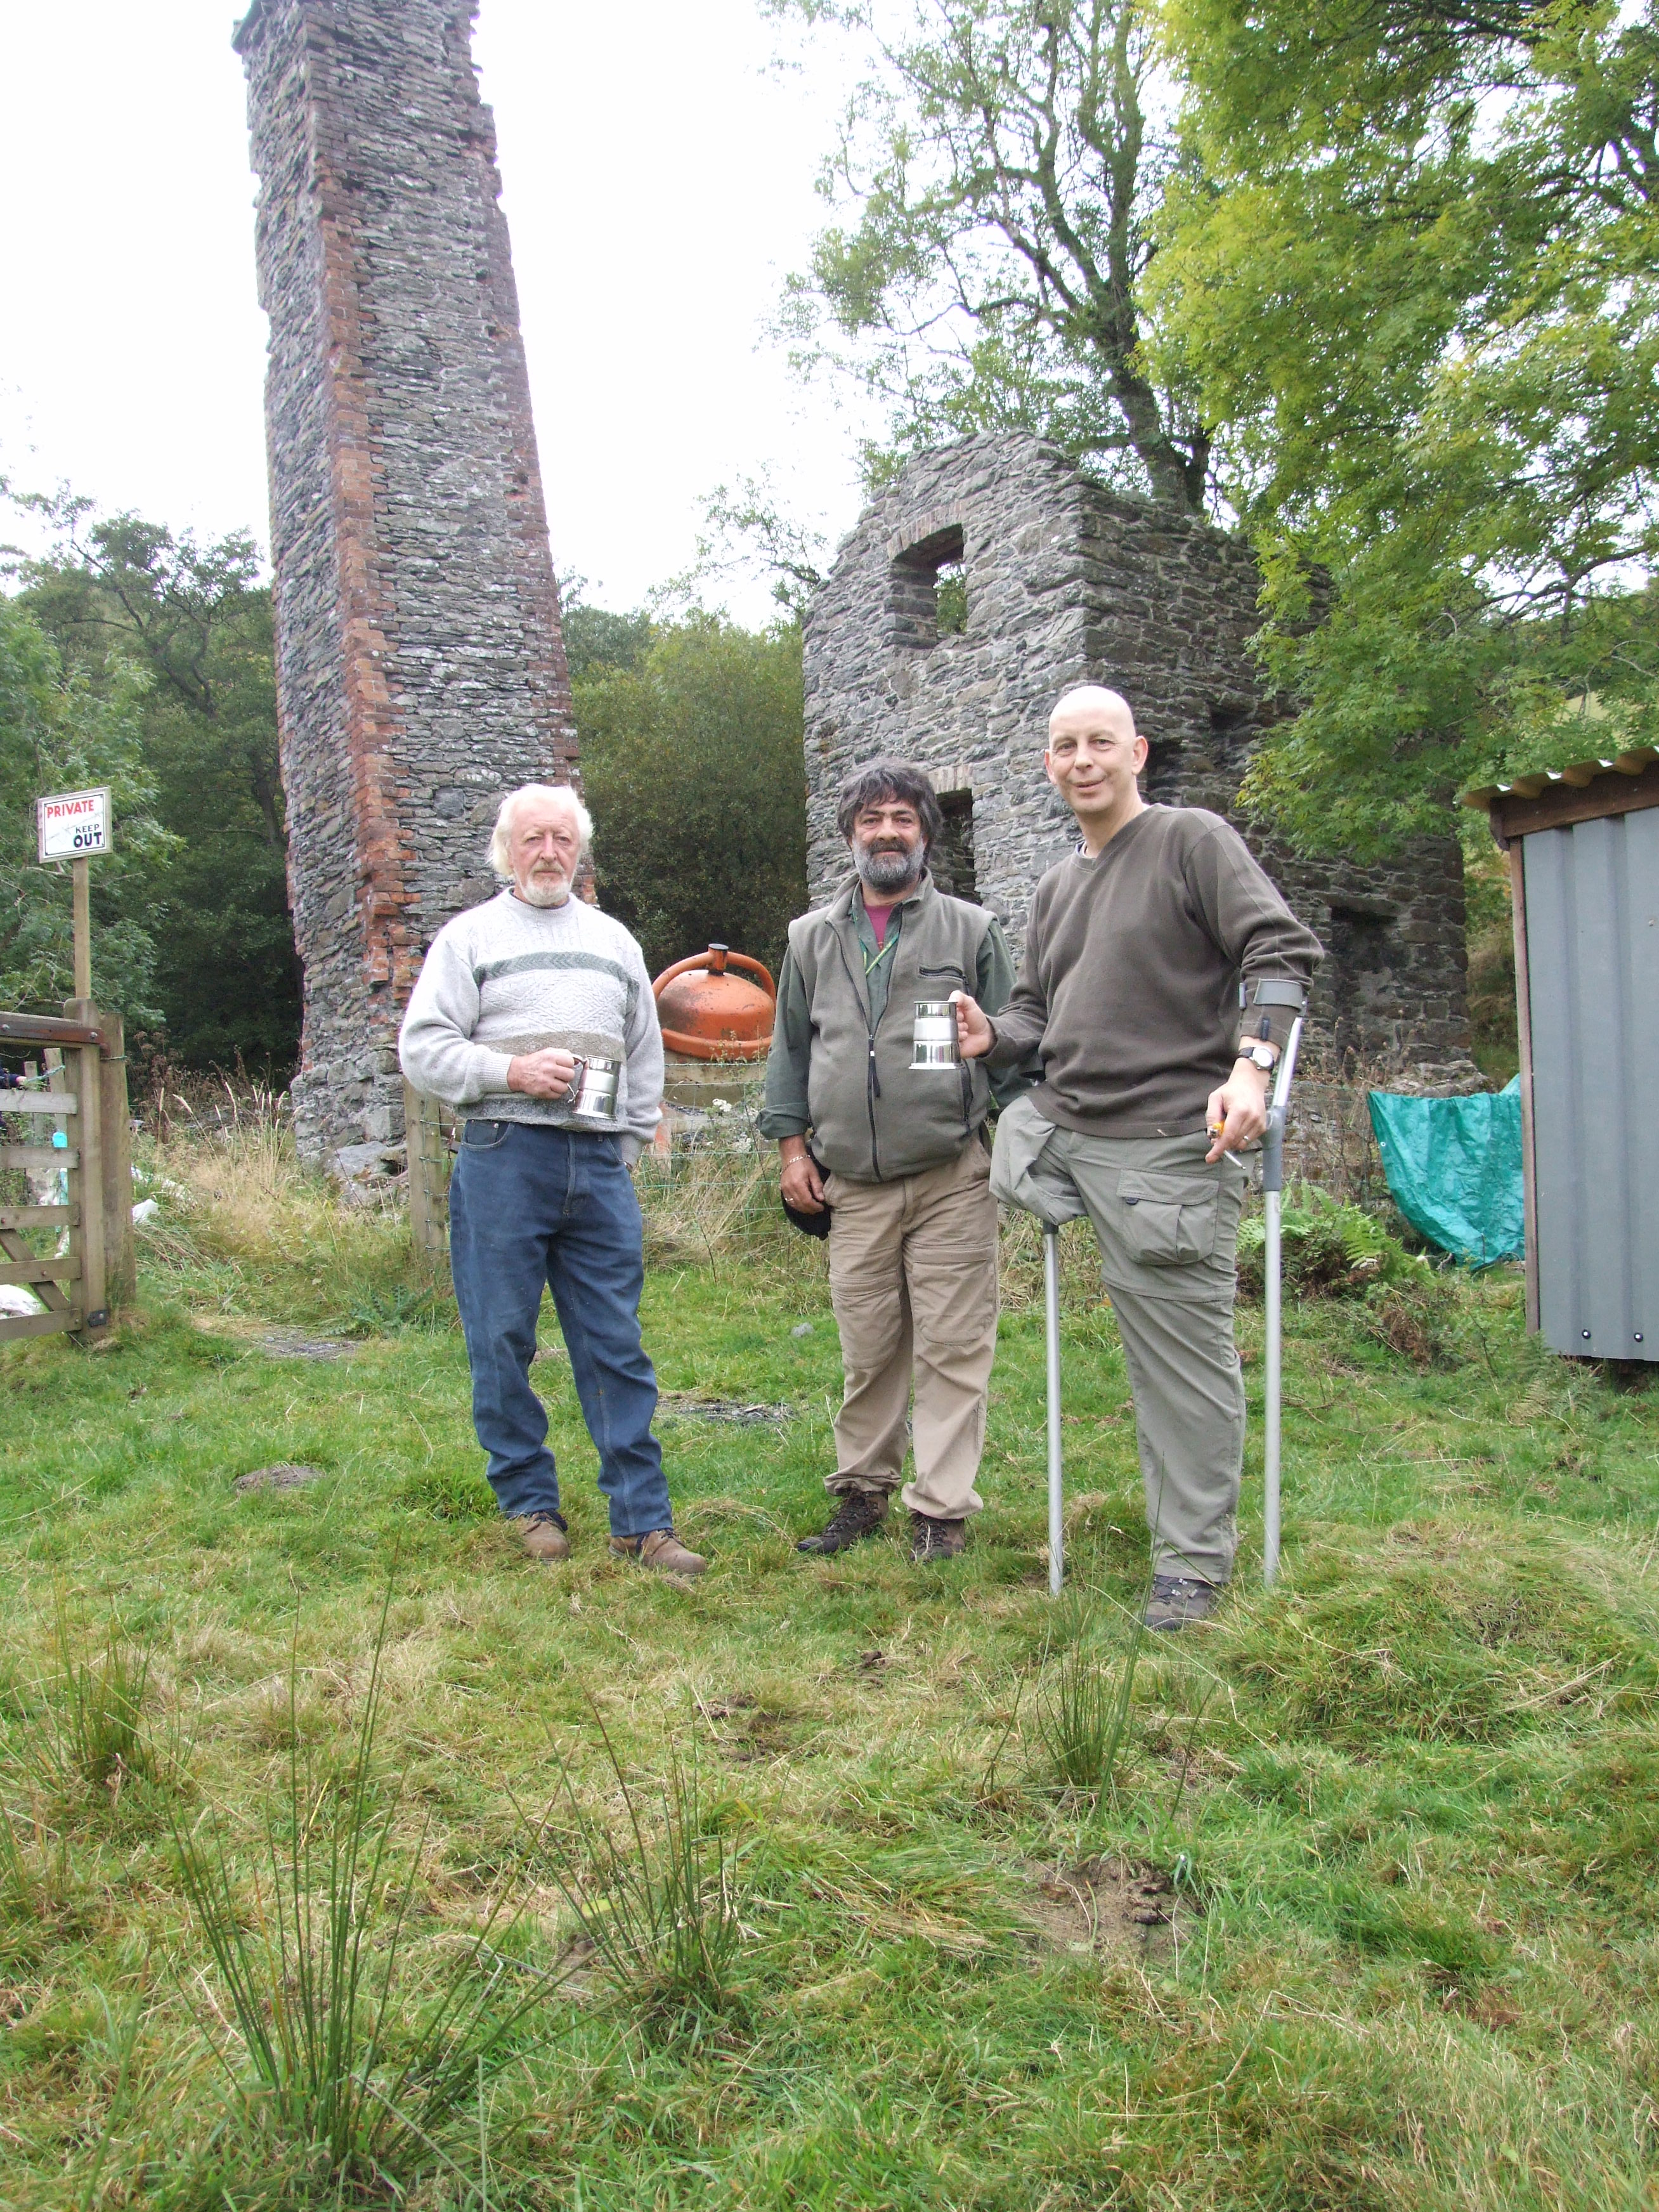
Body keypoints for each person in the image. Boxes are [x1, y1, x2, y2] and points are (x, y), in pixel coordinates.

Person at [952, 687, 1323, 1628]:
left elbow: (1278, 952)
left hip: (1166, 1148)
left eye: (1101, 743)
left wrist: (1252, 1069)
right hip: (1067, 1134)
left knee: (1179, 1371)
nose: (1083, 760)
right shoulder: (1054, 886)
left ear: (1138, 752)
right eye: (1065, 746)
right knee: (1001, 1146)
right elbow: (1037, 1013)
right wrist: (994, 1035)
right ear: (1048, 763)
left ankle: (1192, 1568)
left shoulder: (1191, 840)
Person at [398, 782, 705, 1577]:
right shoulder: (468, 938)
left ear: (580, 849)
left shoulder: (614, 941)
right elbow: (423, 1048)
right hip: (504, 1153)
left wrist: (626, 1146)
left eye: (562, 838)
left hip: (598, 1165)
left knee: (616, 1342)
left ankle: (642, 1521)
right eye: (532, 838)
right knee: (502, 1336)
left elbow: (644, 1053)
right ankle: (530, 1501)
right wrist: (510, 1070)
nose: (548, 852)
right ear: (507, 850)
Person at [759, 758, 1020, 1562]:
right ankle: (863, 1494)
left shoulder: (971, 931)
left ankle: (940, 1512)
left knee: (953, 1346)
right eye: (871, 819)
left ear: (926, 834)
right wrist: (792, 1150)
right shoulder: (811, 937)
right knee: (868, 1348)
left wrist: (1022, 1145)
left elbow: (1013, 1042)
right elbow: (789, 1050)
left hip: (951, 1175)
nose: (887, 833)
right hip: (852, 1183)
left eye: (903, 818)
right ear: (850, 834)